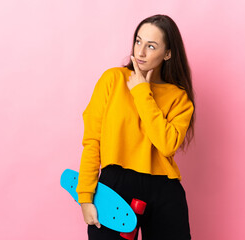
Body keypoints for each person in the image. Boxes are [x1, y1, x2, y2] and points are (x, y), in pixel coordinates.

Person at [76, 14, 196, 240]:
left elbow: (167, 145)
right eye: (138, 41)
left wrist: (142, 92)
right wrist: (85, 196)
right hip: (115, 186)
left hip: (164, 190)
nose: (140, 52)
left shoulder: (179, 98)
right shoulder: (113, 80)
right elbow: (92, 141)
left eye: (151, 46)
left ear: (168, 53)